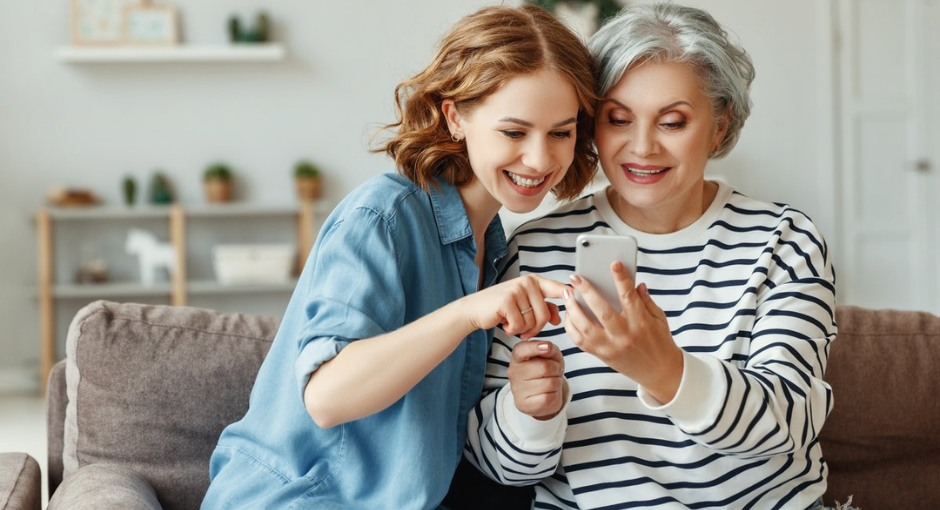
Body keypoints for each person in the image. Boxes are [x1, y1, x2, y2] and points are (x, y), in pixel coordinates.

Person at [201, 5, 598, 510]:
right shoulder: (383, 217)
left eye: (560, 132)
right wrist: (466, 314)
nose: (541, 159)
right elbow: (327, 397)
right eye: (514, 132)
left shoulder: (496, 245)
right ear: (456, 116)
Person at [467, 3, 844, 509]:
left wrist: (663, 368)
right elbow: (496, 465)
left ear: (719, 124)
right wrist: (528, 413)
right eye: (617, 119)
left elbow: (791, 424)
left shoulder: (784, 241)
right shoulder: (536, 249)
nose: (641, 147)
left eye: (672, 122)